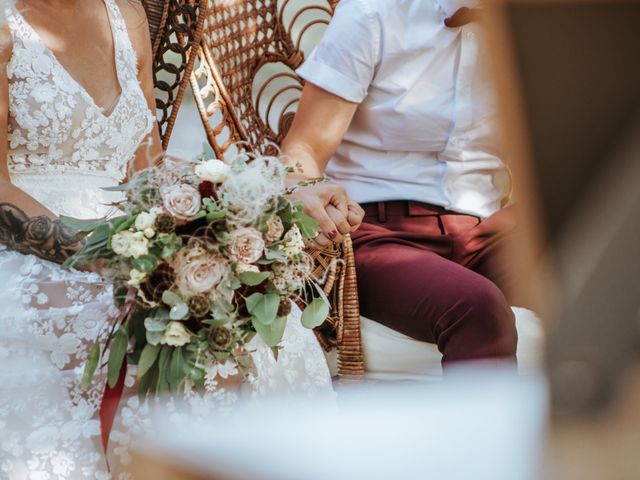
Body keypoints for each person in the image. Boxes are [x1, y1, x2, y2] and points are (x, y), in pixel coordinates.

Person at [0, 1, 333, 477]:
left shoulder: (124, 13)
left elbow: (148, 168)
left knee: (242, 314)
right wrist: (101, 252)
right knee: (121, 319)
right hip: (30, 246)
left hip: (131, 232)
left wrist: (220, 219)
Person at [283, 0, 519, 367]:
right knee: (478, 308)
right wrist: (304, 190)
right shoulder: (372, 12)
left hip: (488, 228)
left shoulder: (545, 23)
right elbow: (304, 148)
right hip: (374, 230)